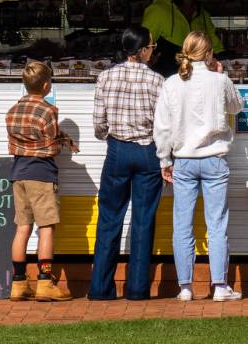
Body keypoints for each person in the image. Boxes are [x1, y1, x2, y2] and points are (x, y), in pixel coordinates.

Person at [153, 31, 244, 301]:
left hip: (183, 160)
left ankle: (185, 287)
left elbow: (162, 126)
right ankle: (219, 286)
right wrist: (222, 72)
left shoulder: (171, 83)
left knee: (182, 224)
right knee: (216, 224)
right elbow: (237, 107)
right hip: (214, 159)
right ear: (209, 53)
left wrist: (164, 159)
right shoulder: (220, 80)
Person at [88, 26, 165, 300]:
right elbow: (162, 124)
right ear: (143, 50)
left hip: (118, 148)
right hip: (148, 151)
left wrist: (107, 135)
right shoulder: (157, 81)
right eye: (152, 46)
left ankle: (100, 288)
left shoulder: (105, 77)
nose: (153, 51)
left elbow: (98, 123)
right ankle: (137, 289)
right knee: (144, 220)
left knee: (109, 217)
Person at [5, 60, 78, 302]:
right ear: (46, 85)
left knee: (22, 228)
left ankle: (18, 283)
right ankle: (45, 282)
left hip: (19, 174)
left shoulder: (12, 111)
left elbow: (17, 143)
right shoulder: (48, 112)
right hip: (42, 174)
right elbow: (49, 148)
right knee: (46, 228)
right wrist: (62, 142)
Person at [142, 0, 223, 77]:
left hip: (197, 84)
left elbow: (217, 49)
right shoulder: (159, 10)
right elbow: (141, 47)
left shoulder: (203, 15)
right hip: (164, 82)